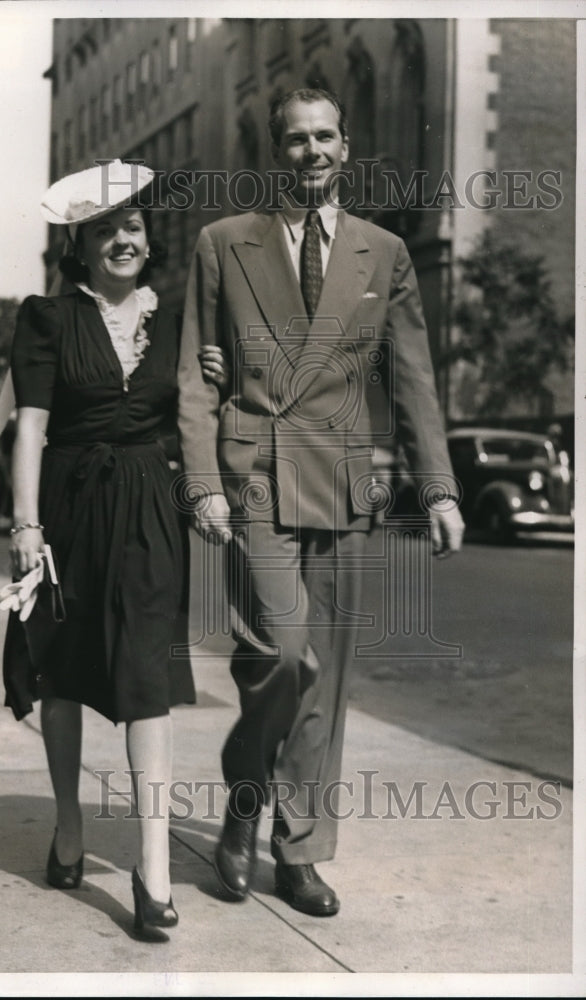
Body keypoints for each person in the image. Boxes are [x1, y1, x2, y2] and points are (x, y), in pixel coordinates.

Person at [176, 89, 465, 917]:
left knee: (324, 679)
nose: (312, 151)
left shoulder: (386, 252)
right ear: (278, 152)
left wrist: (438, 485)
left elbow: (413, 378)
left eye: (325, 136)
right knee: (280, 652)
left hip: (342, 476)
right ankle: (243, 798)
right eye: (296, 139)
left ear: (347, 145)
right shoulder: (222, 244)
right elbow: (194, 381)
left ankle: (298, 848)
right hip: (255, 469)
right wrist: (201, 481)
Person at [1, 160, 226, 942]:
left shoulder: (179, 321)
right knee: (62, 669)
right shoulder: (46, 319)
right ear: (80, 245)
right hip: (65, 507)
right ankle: (70, 828)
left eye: (131, 226)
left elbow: (197, 405)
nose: (122, 241)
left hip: (149, 512)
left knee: (147, 679)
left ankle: (153, 869)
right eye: (105, 231)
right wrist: (27, 528)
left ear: (146, 235)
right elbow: (29, 426)